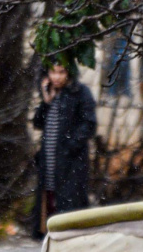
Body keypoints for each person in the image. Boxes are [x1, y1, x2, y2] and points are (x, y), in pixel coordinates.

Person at [31, 60, 97, 236]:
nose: (57, 77)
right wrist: (46, 101)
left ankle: (70, 234)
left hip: (71, 160)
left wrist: (70, 147)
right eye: (53, 73)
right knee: (49, 194)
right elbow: (38, 123)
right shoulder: (50, 94)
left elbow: (89, 124)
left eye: (61, 72)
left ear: (68, 73)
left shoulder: (80, 93)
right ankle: (48, 232)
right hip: (50, 157)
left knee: (70, 199)